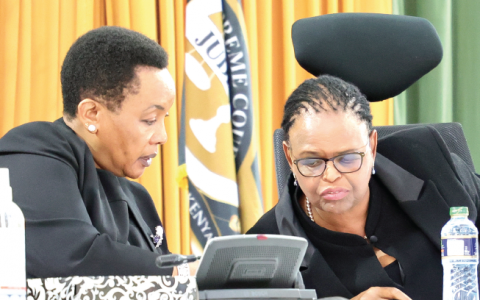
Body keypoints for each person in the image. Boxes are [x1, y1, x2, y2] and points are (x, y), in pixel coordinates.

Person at [247, 75, 480, 299]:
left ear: (372, 146)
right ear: (290, 157)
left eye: (347, 158)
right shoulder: (264, 251)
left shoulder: (431, 165)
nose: (331, 175)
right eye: (312, 162)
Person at [0, 26, 193, 278]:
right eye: (149, 119)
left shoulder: (138, 197)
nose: (162, 137)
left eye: (163, 118)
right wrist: (184, 270)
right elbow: (68, 257)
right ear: (91, 113)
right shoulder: (33, 148)